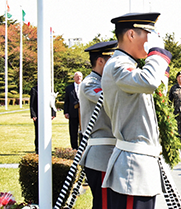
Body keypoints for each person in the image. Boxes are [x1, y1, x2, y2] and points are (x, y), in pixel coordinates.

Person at [100, 12, 173, 209]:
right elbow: (149, 82)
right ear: (131, 34)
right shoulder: (118, 65)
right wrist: (157, 52)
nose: (151, 40)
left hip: (140, 164)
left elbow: (156, 88)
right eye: (148, 34)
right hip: (133, 167)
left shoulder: (127, 65)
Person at [78, 40, 118, 209]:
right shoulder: (90, 83)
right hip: (100, 155)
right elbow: (111, 98)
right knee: (104, 205)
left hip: (110, 153)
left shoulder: (106, 82)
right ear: (101, 61)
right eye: (112, 59)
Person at [30, 86, 56, 154]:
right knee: (38, 132)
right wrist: (33, 115)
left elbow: (52, 101)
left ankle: (47, 148)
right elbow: (32, 103)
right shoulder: (34, 89)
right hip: (38, 114)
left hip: (47, 114)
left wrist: (53, 113)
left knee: (47, 132)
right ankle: (37, 149)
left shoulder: (49, 88)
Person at [64, 71, 83, 150]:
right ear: (74, 78)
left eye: (80, 76)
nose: (78, 78)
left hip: (83, 113)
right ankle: (74, 147)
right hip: (73, 112)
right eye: (77, 76)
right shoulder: (69, 88)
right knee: (73, 131)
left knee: (83, 131)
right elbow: (66, 101)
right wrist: (66, 112)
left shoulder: (85, 86)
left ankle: (82, 147)